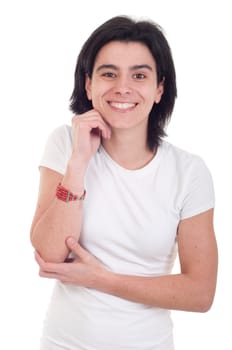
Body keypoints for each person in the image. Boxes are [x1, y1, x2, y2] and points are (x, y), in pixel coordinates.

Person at [30, 15, 218, 350]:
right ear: (89, 85)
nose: (123, 87)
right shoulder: (64, 143)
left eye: (139, 75)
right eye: (109, 73)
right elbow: (49, 252)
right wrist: (78, 163)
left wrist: (101, 280)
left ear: (159, 88)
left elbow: (200, 293)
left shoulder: (189, 172)